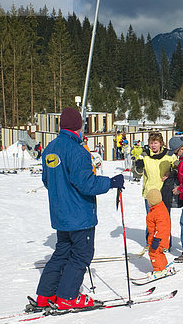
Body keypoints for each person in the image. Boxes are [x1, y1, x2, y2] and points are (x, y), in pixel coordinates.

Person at [34, 107, 126, 311]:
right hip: (78, 214)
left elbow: (47, 180)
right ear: (79, 126)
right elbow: (87, 184)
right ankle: (67, 296)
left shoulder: (50, 148)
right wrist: (110, 182)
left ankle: (45, 294)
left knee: (62, 252)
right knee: (81, 254)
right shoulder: (77, 151)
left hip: (61, 213)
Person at [137, 132, 176, 245]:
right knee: (151, 220)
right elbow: (137, 172)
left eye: (156, 143)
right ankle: (150, 243)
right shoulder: (144, 155)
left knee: (164, 220)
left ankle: (165, 243)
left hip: (164, 192)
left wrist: (171, 172)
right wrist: (138, 167)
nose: (153, 145)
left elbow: (179, 167)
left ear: (161, 143)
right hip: (150, 193)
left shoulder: (169, 155)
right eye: (151, 143)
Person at [145, 188, 175, 279]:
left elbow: (161, 228)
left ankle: (159, 270)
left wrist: (156, 239)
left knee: (154, 253)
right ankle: (164, 266)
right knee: (159, 253)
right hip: (157, 237)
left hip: (158, 239)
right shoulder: (158, 208)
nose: (148, 203)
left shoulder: (158, 212)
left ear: (152, 201)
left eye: (148, 201)